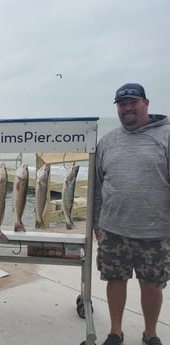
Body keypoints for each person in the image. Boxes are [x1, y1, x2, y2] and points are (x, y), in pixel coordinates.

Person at [93, 83, 169, 345]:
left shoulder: (166, 135)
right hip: (113, 229)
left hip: (155, 231)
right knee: (115, 280)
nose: (127, 108)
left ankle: (150, 333)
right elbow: (97, 187)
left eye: (132, 102)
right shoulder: (107, 141)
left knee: (151, 284)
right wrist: (95, 222)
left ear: (145, 103)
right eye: (122, 104)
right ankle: (115, 331)